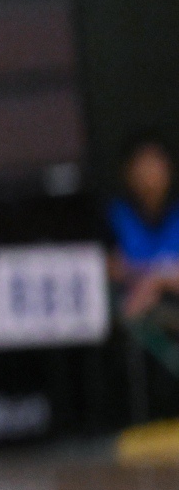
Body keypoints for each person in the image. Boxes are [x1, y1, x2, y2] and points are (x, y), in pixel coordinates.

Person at [108, 130, 179, 380]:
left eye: (155, 164)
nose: (149, 174)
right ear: (127, 173)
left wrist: (158, 280)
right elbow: (111, 267)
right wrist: (146, 280)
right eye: (141, 165)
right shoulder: (116, 215)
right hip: (135, 313)